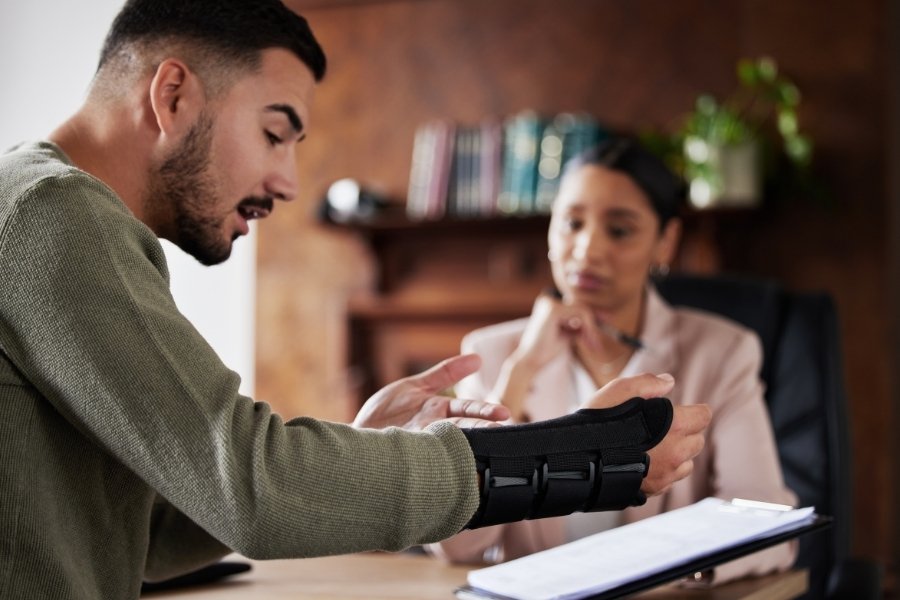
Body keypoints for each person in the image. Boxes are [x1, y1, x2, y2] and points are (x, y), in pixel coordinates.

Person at [0, 2, 711, 598]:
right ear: (173, 95)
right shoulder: (51, 213)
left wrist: (365, 448)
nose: (288, 182)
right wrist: (585, 453)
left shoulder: (46, 211)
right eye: (275, 133)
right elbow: (248, 486)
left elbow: (150, 530)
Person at [428, 138, 797, 585]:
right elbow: (456, 545)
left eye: (619, 230)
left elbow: (768, 526)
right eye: (572, 223)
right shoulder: (492, 353)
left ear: (666, 242)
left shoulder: (722, 352)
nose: (587, 250)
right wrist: (521, 371)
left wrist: (683, 571)